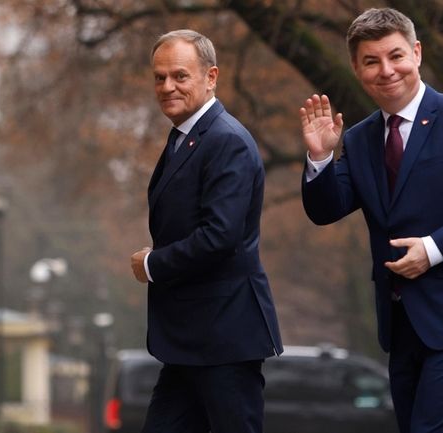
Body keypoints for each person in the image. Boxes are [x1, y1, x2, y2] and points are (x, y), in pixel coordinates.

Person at [299, 8, 443, 433]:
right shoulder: (361, 138)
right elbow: (326, 209)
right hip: (401, 323)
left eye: (396, 56)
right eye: (371, 61)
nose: (387, 70)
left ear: (417, 53)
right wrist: (320, 157)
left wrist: (434, 249)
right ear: (357, 68)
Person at [129, 29, 283, 433]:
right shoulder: (188, 137)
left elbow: (220, 236)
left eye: (180, 75)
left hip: (225, 335)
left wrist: (153, 264)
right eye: (159, 77)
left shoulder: (225, 139)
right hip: (191, 338)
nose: (167, 86)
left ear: (210, 77)